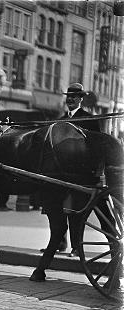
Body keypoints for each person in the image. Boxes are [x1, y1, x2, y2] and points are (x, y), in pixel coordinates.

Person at [41, 83, 102, 256]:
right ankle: (59, 243)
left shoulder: (89, 120)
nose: (70, 99)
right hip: (60, 174)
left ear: (81, 99)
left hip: (80, 175)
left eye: (74, 97)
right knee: (57, 210)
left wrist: (94, 173)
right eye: (68, 96)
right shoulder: (60, 121)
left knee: (75, 213)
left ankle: (77, 247)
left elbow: (96, 148)